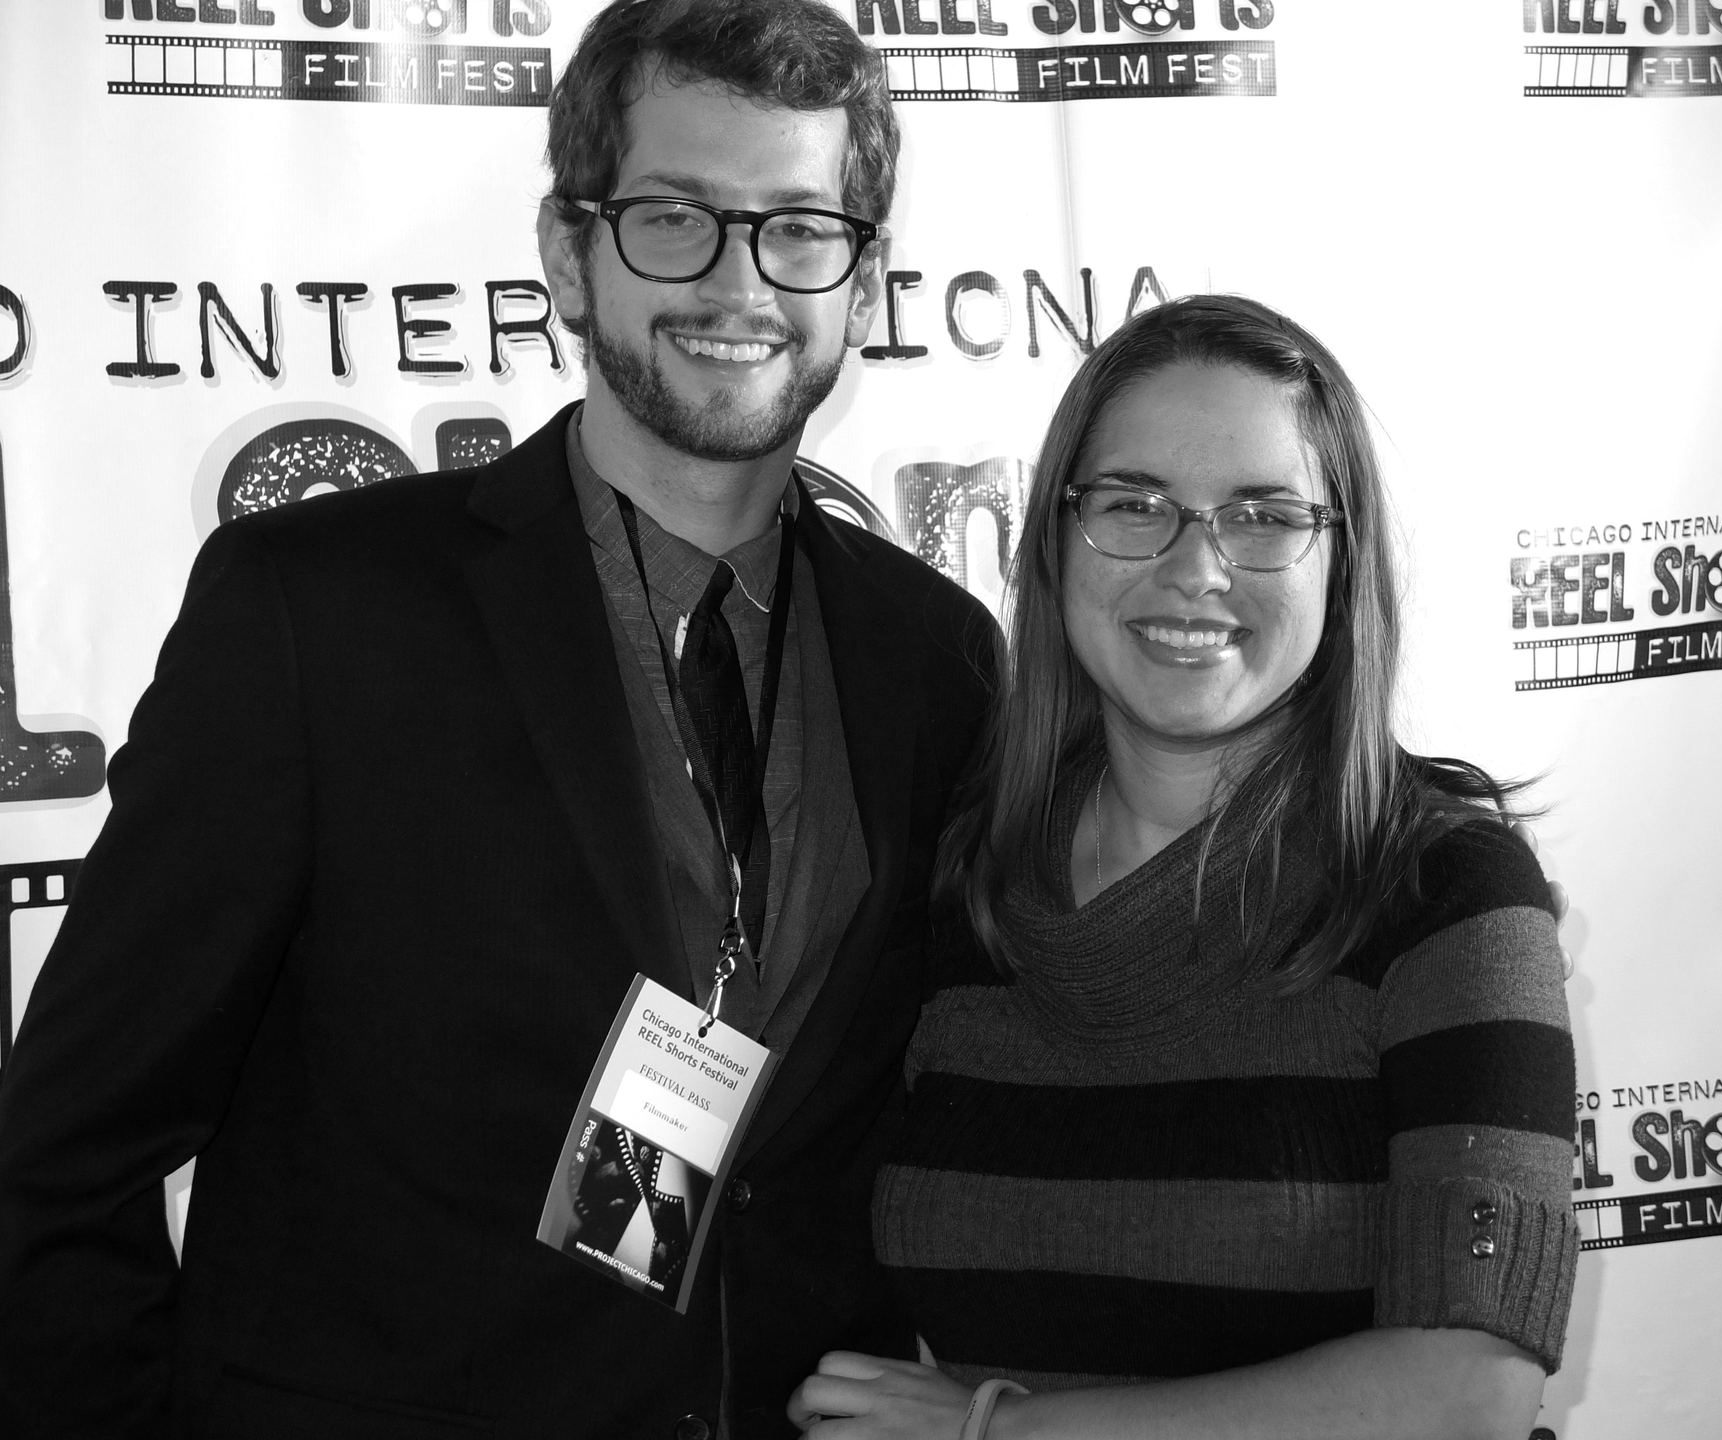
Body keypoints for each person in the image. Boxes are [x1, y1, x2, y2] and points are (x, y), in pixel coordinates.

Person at [0, 1, 995, 1435]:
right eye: (673, 217)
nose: (740, 281)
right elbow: (70, 1152)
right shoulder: (317, 617)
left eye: (796, 227)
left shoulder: (940, 658)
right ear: (565, 254)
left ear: (864, 275)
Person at [789, 296, 1579, 1440]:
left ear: (1339, 561)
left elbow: (1472, 1390)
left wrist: (1001, 1435)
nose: (1196, 567)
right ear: (1055, 541)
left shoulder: (1448, 894)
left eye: (1263, 514)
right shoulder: (968, 880)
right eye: (1134, 505)